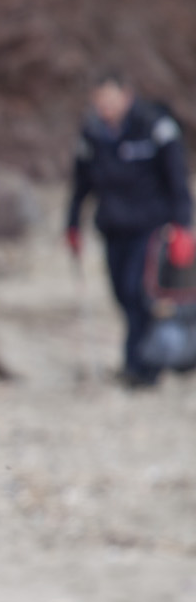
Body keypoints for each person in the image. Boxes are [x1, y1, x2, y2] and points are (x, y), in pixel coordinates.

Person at [65, 69, 192, 388]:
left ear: (126, 95)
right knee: (122, 294)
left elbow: (177, 179)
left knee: (139, 292)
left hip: (151, 226)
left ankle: (141, 367)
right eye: (99, 101)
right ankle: (148, 359)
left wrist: (184, 226)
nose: (104, 107)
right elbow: (81, 184)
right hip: (112, 226)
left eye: (110, 99)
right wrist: (72, 223)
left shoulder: (154, 126)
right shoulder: (93, 133)